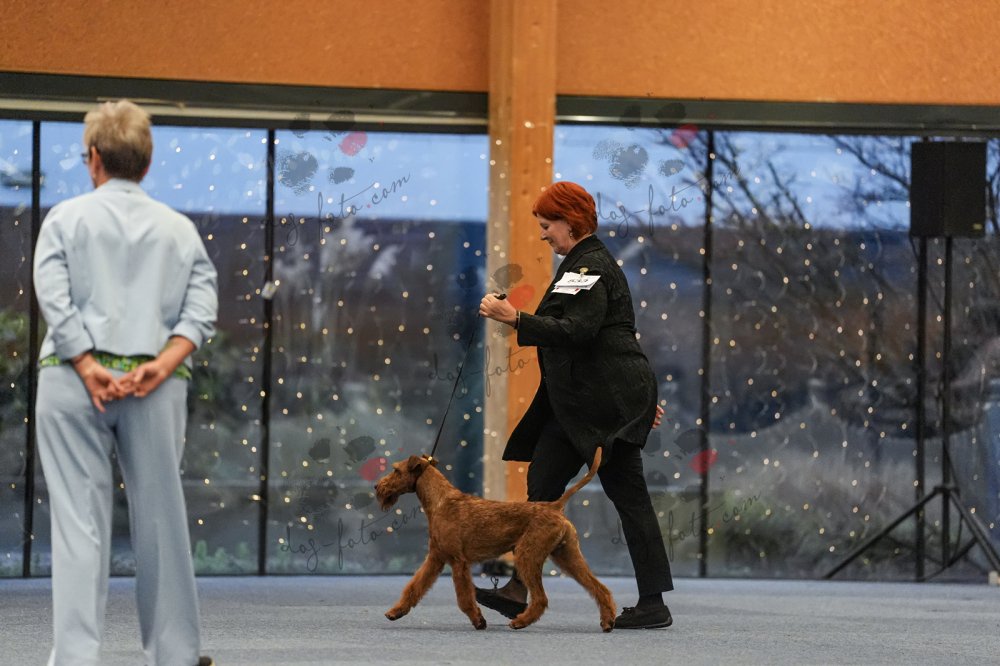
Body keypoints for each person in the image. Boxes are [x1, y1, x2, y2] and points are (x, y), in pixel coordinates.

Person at [33, 100, 217, 665]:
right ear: (148, 160)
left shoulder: (65, 218)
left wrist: (87, 363)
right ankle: (175, 655)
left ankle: (75, 659)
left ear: (93, 157)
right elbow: (202, 306)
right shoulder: (179, 229)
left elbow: (52, 294)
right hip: (156, 385)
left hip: (71, 382)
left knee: (77, 525)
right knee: (163, 520)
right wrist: (163, 362)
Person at [477, 180, 674, 629]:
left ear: (571, 222)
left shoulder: (591, 266)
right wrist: (633, 398)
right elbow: (587, 334)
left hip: (599, 411)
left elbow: (578, 332)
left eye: (548, 225)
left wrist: (515, 319)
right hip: (579, 407)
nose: (543, 234)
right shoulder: (579, 265)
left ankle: (653, 603)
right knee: (542, 487)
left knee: (630, 499)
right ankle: (519, 588)